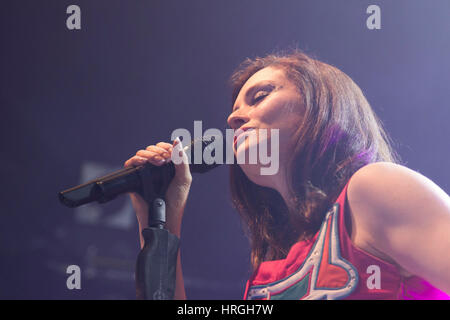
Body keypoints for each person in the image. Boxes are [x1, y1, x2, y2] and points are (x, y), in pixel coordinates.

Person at [123, 49, 450, 300]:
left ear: (320, 104)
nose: (234, 119)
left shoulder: (374, 189)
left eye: (260, 96)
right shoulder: (268, 273)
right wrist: (160, 217)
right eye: (234, 111)